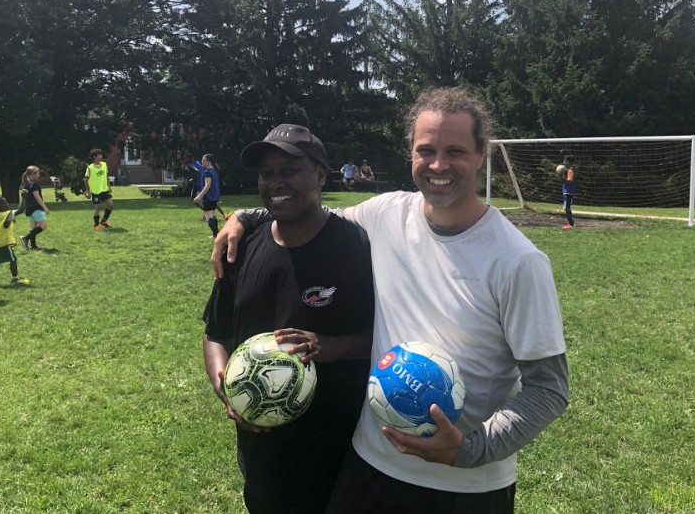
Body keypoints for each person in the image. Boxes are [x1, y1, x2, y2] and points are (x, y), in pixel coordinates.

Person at [215, 88, 569, 513]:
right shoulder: (386, 215)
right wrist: (245, 217)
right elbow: (309, 213)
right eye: (426, 150)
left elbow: (549, 389)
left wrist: (469, 449)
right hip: (370, 466)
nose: (438, 165)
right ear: (411, 155)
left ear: (481, 154)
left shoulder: (518, 261)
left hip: (464, 488)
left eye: (454, 150)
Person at [202, 123, 375, 513]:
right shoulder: (239, 247)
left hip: (341, 455)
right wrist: (229, 389)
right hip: (264, 455)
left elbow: (385, 335)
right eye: (267, 173)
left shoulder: (357, 247)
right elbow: (217, 332)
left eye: (289, 169)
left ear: (319, 174)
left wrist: (332, 347)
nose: (276, 182)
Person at [0, 197, 30, 287]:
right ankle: (15, 278)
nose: (7, 204)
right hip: (3, 243)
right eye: (5, 203)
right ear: (1, 207)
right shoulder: (6, 214)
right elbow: (20, 210)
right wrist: (24, 198)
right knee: (13, 259)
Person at [20, 165, 50, 250]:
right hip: (36, 208)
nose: (39, 175)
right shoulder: (34, 184)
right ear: (33, 174)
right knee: (43, 226)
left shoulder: (26, 184)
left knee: (33, 228)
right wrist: (44, 207)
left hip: (29, 208)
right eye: (37, 173)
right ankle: (25, 238)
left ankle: (33, 246)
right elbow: (37, 197)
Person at [193, 153, 223, 237]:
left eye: (204, 160)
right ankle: (215, 234)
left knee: (208, 217)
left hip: (209, 197)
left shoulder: (207, 172)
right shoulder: (214, 171)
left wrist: (199, 196)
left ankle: (217, 234)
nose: (202, 162)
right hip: (215, 196)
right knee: (213, 216)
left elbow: (207, 185)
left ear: (209, 162)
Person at [84, 149, 114, 229]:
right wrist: (88, 192)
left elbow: (106, 176)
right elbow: (86, 180)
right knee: (98, 208)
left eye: (101, 154)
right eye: (99, 155)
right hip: (96, 191)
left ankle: (104, 220)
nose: (101, 156)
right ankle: (96, 224)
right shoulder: (90, 168)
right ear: (94, 157)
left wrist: (109, 186)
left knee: (110, 205)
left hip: (104, 190)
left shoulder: (104, 165)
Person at [562, 155, 576, 229]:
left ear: (569, 162)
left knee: (567, 208)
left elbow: (569, 180)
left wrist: (564, 174)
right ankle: (570, 223)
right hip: (566, 191)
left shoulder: (570, 171)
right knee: (566, 208)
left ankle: (571, 224)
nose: (563, 162)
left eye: (565, 161)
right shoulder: (567, 170)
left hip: (569, 192)